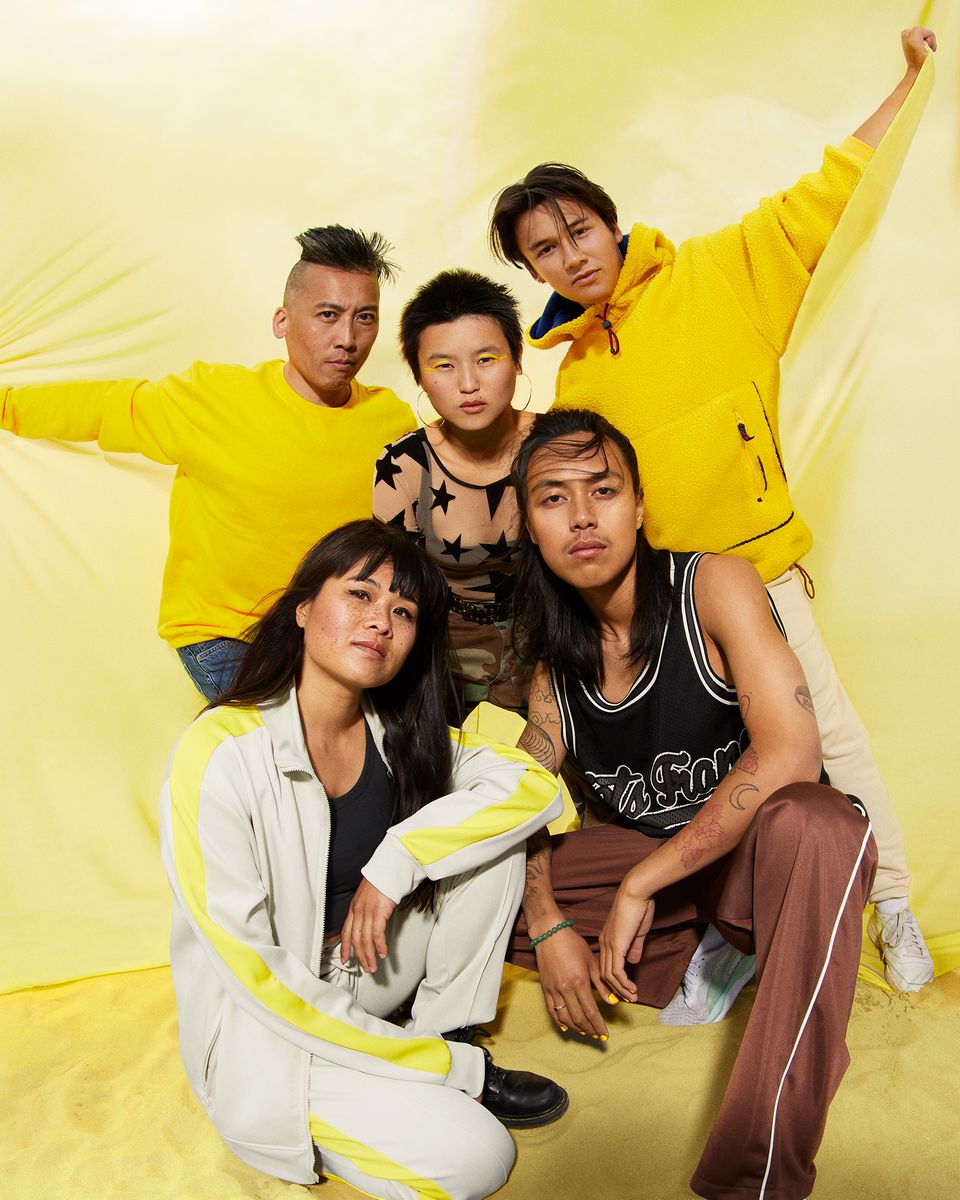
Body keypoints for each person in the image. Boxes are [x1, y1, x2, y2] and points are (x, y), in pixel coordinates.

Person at [488, 27, 936, 992]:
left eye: (577, 232)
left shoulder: (721, 270)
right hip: (667, 607)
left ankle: (894, 901)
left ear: (611, 223)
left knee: (830, 742)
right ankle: (711, 927)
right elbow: (585, 499)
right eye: (544, 252)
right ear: (535, 272)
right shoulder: (575, 375)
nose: (570, 257)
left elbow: (831, 190)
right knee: (702, 767)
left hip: (758, 572)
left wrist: (910, 81)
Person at [507, 409, 876, 1200]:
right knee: (475, 887)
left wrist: (640, 886)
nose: (582, 516)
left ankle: (756, 1175)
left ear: (640, 505)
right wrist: (546, 920)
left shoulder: (713, 586)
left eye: (603, 490)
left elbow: (791, 754)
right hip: (672, 876)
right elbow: (514, 802)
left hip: (761, 869)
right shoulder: (553, 672)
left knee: (819, 822)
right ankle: (698, 954)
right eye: (553, 498)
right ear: (531, 527)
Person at [159, 519, 568, 1199]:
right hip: (270, 1028)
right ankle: (438, 1063)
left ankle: (448, 1034)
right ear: (303, 608)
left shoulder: (400, 735)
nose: (381, 620)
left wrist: (396, 859)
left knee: (488, 841)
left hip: (366, 968)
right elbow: (256, 976)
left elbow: (532, 786)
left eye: (403, 611)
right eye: (360, 594)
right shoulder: (219, 753)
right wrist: (441, 1072)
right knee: (480, 1157)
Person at [1, 225, 415, 700]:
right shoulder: (212, 398)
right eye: (328, 315)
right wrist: (5, 405)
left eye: (365, 318)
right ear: (282, 321)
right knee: (290, 736)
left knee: (387, 730)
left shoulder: (391, 422)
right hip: (227, 635)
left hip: (335, 636)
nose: (347, 338)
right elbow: (100, 407)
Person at [373, 269, 534, 716]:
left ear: (517, 360)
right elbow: (394, 589)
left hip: (549, 639)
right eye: (443, 365)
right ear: (419, 377)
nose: (468, 384)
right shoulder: (404, 465)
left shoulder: (556, 447)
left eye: (486, 359)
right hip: (440, 648)